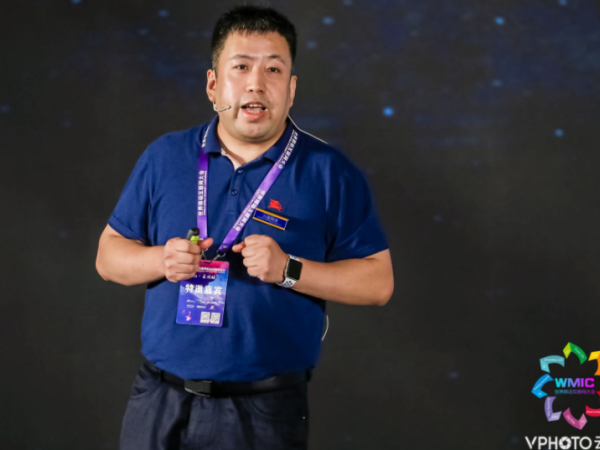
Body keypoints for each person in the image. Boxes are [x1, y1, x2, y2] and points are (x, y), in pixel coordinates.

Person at [95, 5, 394, 450]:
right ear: (213, 85)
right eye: (241, 67)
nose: (257, 83)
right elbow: (108, 257)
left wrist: (289, 270)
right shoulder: (165, 156)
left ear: (291, 89)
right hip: (158, 400)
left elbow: (378, 283)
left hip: (264, 411)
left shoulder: (328, 171)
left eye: (274, 69)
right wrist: (161, 259)